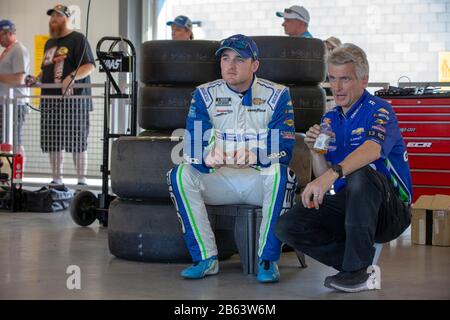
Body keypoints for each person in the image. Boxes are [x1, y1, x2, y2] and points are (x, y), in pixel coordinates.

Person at [276, 44, 412, 293]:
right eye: (332, 79)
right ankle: (358, 267)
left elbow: (372, 150)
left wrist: (331, 174)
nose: (336, 88)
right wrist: (316, 152)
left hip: (391, 211)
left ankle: (357, 269)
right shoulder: (329, 118)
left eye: (345, 79)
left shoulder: (380, 110)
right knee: (287, 226)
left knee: (359, 174)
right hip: (352, 204)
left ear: (364, 80)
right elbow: (322, 172)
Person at [167, 34, 297, 283]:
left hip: (258, 179)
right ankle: (206, 258)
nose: (230, 65)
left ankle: (267, 260)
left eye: (239, 59)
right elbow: (192, 143)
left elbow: (284, 147)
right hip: (220, 178)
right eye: (225, 58)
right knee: (180, 174)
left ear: (254, 65)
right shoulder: (204, 94)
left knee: (282, 176)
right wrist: (206, 156)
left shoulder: (277, 95)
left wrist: (257, 155)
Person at [27, 4, 96, 186]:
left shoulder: (78, 39)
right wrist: (37, 79)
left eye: (57, 16)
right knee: (53, 141)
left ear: (67, 18)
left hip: (74, 101)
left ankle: (81, 181)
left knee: (77, 141)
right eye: (51, 17)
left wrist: (72, 76)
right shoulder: (50, 43)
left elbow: (89, 65)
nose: (53, 20)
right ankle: (56, 179)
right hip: (50, 100)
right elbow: (46, 69)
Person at [0, 19, 30, 158]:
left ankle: (18, 176)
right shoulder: (8, 51)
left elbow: (19, 79)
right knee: (5, 141)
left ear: (8, 33)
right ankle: (7, 174)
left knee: (16, 141)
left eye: (0, 35)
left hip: (15, 105)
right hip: (5, 104)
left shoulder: (18, 50)